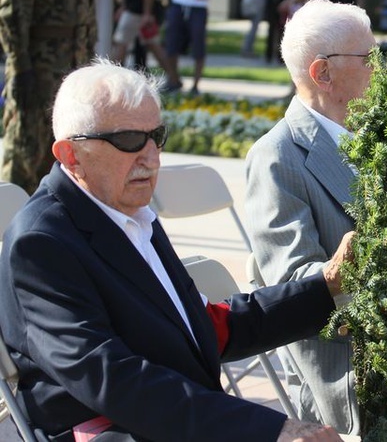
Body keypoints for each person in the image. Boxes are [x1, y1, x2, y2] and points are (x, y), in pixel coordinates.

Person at [0, 58, 350, 442]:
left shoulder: (127, 212)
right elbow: (113, 379)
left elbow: (206, 328)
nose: (151, 157)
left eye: (156, 136)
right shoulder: (41, 243)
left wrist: (328, 286)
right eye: (129, 140)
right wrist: (270, 429)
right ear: (70, 154)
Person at [244, 0, 374, 436]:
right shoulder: (276, 156)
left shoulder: (379, 136)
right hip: (352, 363)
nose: (380, 69)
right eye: (368, 58)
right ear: (323, 72)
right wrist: (354, 261)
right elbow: (292, 286)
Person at [0, 0, 96, 194]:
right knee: (25, 153)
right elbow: (11, 6)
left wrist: (91, 65)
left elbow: (88, 8)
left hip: (75, 66)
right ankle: (10, 223)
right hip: (37, 65)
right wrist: (20, 66)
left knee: (68, 154)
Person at [163, 0, 222, 96]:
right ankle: (174, 80)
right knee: (171, 43)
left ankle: (195, 85)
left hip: (198, 6)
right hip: (179, 1)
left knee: (198, 45)